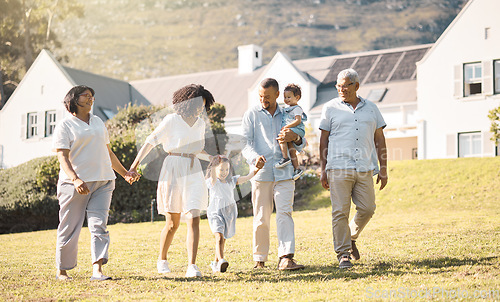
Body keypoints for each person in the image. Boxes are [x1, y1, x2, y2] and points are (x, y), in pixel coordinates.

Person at [53, 85, 139, 281]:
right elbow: (63, 157)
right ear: (73, 100)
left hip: (104, 180)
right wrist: (75, 179)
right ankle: (62, 271)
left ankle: (97, 271)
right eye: (86, 95)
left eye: (92, 96)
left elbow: (108, 152)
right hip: (75, 184)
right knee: (69, 226)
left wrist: (125, 173)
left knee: (99, 225)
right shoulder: (65, 126)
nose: (91, 98)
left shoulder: (98, 121)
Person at [128, 84, 215, 278]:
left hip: (193, 171)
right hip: (173, 169)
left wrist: (213, 158)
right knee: (172, 224)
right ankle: (162, 259)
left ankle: (192, 266)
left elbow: (198, 150)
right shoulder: (171, 120)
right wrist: (134, 166)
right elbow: (150, 142)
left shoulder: (200, 124)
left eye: (203, 105)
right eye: (198, 104)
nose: (201, 108)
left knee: (194, 218)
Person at [319, 68, 388, 269]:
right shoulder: (330, 108)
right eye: (338, 86)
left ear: (356, 86)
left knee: (368, 208)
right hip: (338, 167)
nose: (341, 89)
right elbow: (323, 140)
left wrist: (383, 168)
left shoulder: (372, 108)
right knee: (340, 211)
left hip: (365, 166)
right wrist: (323, 168)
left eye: (346, 85)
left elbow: (379, 140)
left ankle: (351, 237)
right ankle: (343, 254)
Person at [241, 78, 306, 271]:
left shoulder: (289, 112)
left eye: (267, 97)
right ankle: (260, 259)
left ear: (277, 95)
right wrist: (254, 159)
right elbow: (245, 143)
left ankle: (286, 257)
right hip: (261, 173)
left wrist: (295, 137)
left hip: (284, 172)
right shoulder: (251, 114)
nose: (263, 100)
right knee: (261, 216)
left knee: (285, 213)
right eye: (260, 96)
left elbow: (301, 140)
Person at [205, 155, 265, 273]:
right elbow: (212, 175)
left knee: (223, 239)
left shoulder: (231, 181)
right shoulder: (213, 182)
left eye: (226, 170)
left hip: (229, 213)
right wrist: (213, 163)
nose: (224, 172)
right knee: (219, 236)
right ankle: (221, 260)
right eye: (221, 169)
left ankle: (216, 263)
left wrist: (257, 169)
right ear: (214, 169)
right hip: (216, 212)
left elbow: (248, 177)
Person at [274, 84, 307, 181]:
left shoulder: (297, 108)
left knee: (281, 137)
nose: (286, 99)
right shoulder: (287, 108)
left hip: (297, 129)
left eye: (289, 97)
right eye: (285, 97)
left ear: (297, 97)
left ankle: (285, 158)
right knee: (291, 149)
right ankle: (297, 168)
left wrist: (286, 127)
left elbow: (298, 120)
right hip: (293, 129)